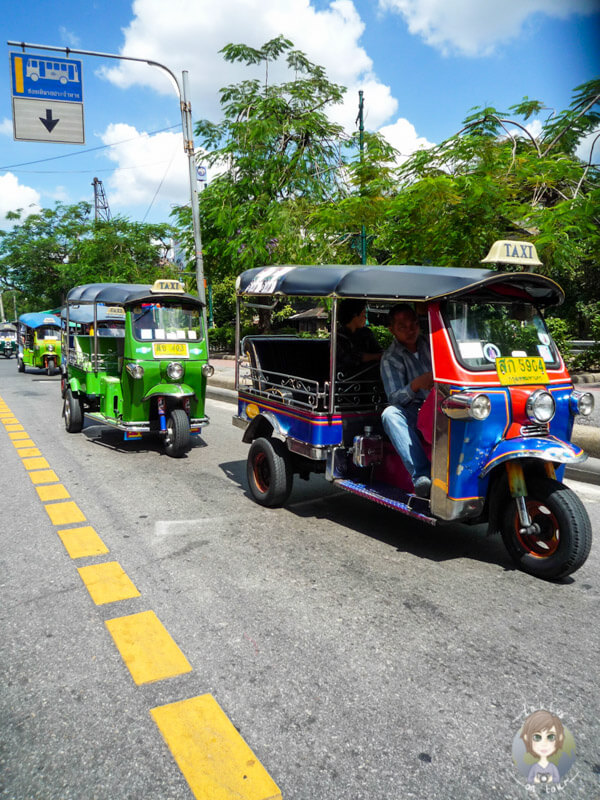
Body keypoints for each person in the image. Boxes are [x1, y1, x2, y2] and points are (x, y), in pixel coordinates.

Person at [380, 303, 433, 498]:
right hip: (414, 411)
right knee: (390, 414)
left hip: (441, 404)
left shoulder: (432, 344)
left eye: (413, 324)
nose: (410, 330)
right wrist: (416, 385)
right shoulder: (390, 358)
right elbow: (394, 398)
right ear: (392, 330)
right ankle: (421, 475)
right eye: (402, 326)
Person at [336, 299, 382, 377]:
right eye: (364, 314)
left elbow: (378, 350)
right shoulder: (338, 336)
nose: (366, 318)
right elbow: (349, 359)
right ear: (354, 315)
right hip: (346, 378)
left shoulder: (366, 333)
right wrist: (375, 356)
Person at [520, 710, 564, 785]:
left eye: (551, 737)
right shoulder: (535, 767)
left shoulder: (552, 767)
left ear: (560, 737)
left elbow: (557, 778)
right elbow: (530, 779)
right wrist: (537, 780)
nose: (544, 743)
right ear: (527, 738)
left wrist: (549, 779)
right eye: (537, 737)